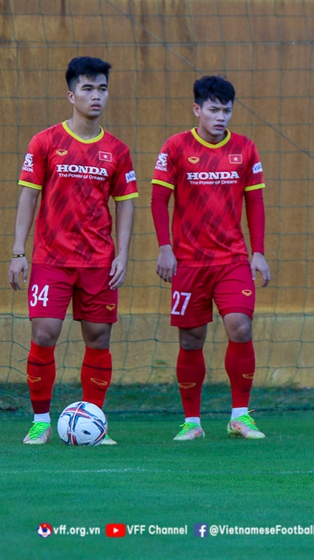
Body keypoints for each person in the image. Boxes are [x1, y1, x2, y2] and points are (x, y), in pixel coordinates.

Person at [8, 56, 138, 445]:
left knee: (98, 338)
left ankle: (94, 421)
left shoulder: (117, 149)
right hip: (51, 259)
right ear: (71, 95)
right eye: (87, 88)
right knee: (44, 333)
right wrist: (18, 251)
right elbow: (28, 196)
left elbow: (126, 201)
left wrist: (123, 254)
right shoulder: (45, 142)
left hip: (99, 261)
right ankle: (41, 420)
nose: (96, 96)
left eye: (101, 88)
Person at [151, 75, 271, 441]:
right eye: (214, 110)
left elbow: (255, 203)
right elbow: (158, 199)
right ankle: (192, 422)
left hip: (232, 259)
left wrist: (259, 252)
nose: (221, 117)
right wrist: (165, 247)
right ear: (197, 109)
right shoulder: (175, 147)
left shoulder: (246, 148)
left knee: (241, 327)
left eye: (227, 111)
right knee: (191, 340)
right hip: (188, 262)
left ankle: (240, 416)